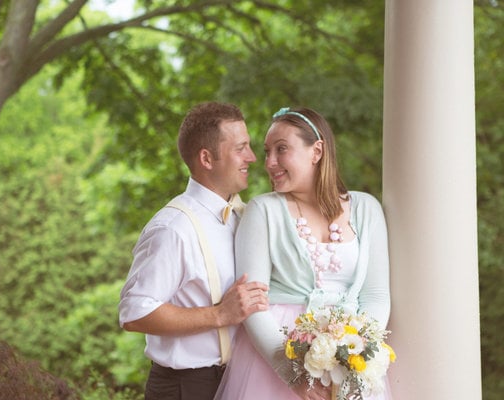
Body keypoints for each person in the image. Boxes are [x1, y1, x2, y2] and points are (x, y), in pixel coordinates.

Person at [214, 107, 391, 400]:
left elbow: (376, 296)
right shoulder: (263, 211)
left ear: (317, 151)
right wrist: (293, 374)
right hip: (278, 360)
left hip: (352, 366)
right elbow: (252, 303)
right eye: (267, 151)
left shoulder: (366, 208)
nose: (269, 162)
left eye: (281, 149)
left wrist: (357, 357)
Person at [118, 101, 270, 400]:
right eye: (240, 148)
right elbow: (134, 312)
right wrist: (218, 315)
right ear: (207, 158)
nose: (251, 158)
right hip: (187, 388)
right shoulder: (173, 228)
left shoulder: (245, 217)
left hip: (241, 381)